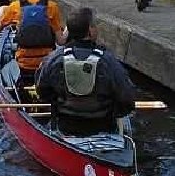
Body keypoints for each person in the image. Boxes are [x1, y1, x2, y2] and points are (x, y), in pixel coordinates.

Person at [35, 7, 137, 136]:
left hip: (65, 125)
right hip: (102, 126)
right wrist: (114, 112)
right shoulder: (108, 61)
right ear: (90, 31)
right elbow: (127, 99)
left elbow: (42, 91)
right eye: (95, 25)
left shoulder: (53, 59)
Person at [0, 0, 67, 83]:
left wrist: (1, 13)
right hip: (46, 64)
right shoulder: (52, 7)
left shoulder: (15, 7)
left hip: (23, 65)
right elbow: (61, 41)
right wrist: (69, 27)